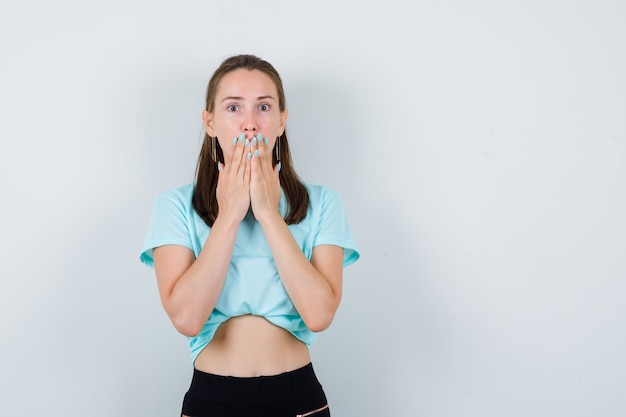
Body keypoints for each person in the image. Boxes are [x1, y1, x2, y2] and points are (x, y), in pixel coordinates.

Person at [140, 54, 360, 417]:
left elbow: (319, 314)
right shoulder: (175, 205)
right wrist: (229, 215)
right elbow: (187, 319)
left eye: (263, 107)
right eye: (233, 108)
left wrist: (269, 215)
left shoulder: (322, 202)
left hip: (298, 396)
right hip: (212, 397)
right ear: (209, 122)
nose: (249, 124)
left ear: (281, 120)